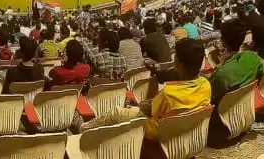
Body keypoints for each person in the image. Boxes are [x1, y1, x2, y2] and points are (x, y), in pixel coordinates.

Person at [82, 39, 211, 142]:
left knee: (117, 112)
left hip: (155, 131)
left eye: (175, 58)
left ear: (180, 64)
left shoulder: (169, 93)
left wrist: (139, 107)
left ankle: (85, 128)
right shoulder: (206, 85)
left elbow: (151, 112)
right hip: (181, 127)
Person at [208, 21, 264, 104]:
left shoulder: (220, 73)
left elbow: (210, 97)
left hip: (225, 112)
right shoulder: (253, 57)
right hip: (248, 104)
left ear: (223, 39)